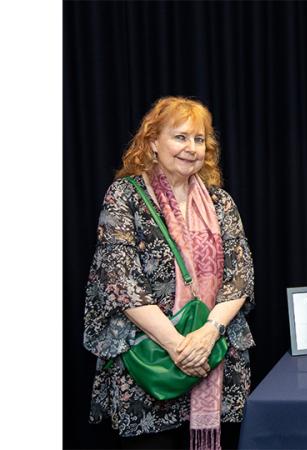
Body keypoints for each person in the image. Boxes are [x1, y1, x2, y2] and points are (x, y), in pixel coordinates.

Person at [83, 96, 256, 449]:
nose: (191, 148)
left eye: (198, 139)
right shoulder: (124, 196)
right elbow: (121, 282)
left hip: (216, 358)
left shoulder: (220, 202)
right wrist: (179, 347)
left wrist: (207, 337)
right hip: (149, 364)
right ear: (152, 142)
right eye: (180, 137)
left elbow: (241, 276)